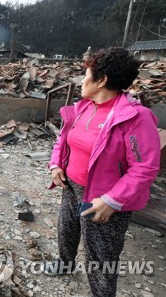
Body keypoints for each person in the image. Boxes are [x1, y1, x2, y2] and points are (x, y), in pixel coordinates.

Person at [47, 47, 161, 296]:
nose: (82, 81)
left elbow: (144, 168)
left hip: (104, 197)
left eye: (86, 76)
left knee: (100, 255)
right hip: (72, 185)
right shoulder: (84, 107)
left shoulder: (135, 118)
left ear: (102, 80)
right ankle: (65, 264)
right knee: (66, 228)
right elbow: (64, 139)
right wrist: (56, 164)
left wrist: (113, 200)